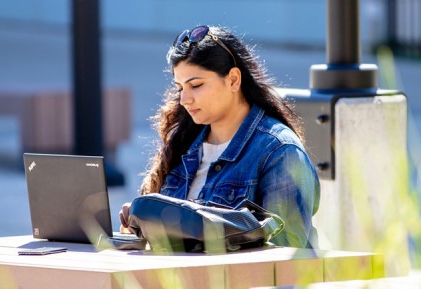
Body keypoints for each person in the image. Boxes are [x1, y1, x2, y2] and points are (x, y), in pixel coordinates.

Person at [120, 25, 320, 248]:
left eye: (196, 85)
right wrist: (143, 220)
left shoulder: (280, 151)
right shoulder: (184, 144)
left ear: (233, 80)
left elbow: (286, 253)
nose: (184, 99)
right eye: (180, 88)